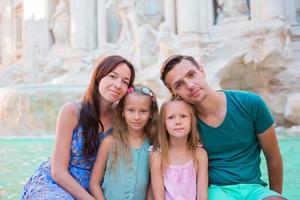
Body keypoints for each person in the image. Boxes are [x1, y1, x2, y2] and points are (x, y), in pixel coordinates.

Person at [160, 55, 286, 200]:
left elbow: (274, 158)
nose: (190, 85)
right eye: (179, 85)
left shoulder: (251, 104)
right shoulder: (184, 123)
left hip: (254, 188)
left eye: (191, 74)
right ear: (174, 93)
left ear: (201, 70)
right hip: (216, 191)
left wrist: (275, 195)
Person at [21, 55, 135, 200]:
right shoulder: (71, 111)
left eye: (125, 82)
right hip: (56, 183)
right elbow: (58, 172)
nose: (118, 84)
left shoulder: (123, 119)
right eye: (112, 76)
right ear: (99, 77)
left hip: (94, 186)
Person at [89, 84, 158, 200]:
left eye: (143, 111)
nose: (137, 117)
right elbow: (94, 184)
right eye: (131, 110)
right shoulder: (110, 142)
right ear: (122, 112)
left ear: (151, 113)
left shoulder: (153, 144)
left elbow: (152, 184)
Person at [150, 96, 208, 200]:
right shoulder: (157, 157)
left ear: (192, 121)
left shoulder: (200, 154)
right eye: (171, 117)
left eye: (183, 116)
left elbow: (202, 194)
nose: (177, 121)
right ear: (164, 124)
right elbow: (159, 197)